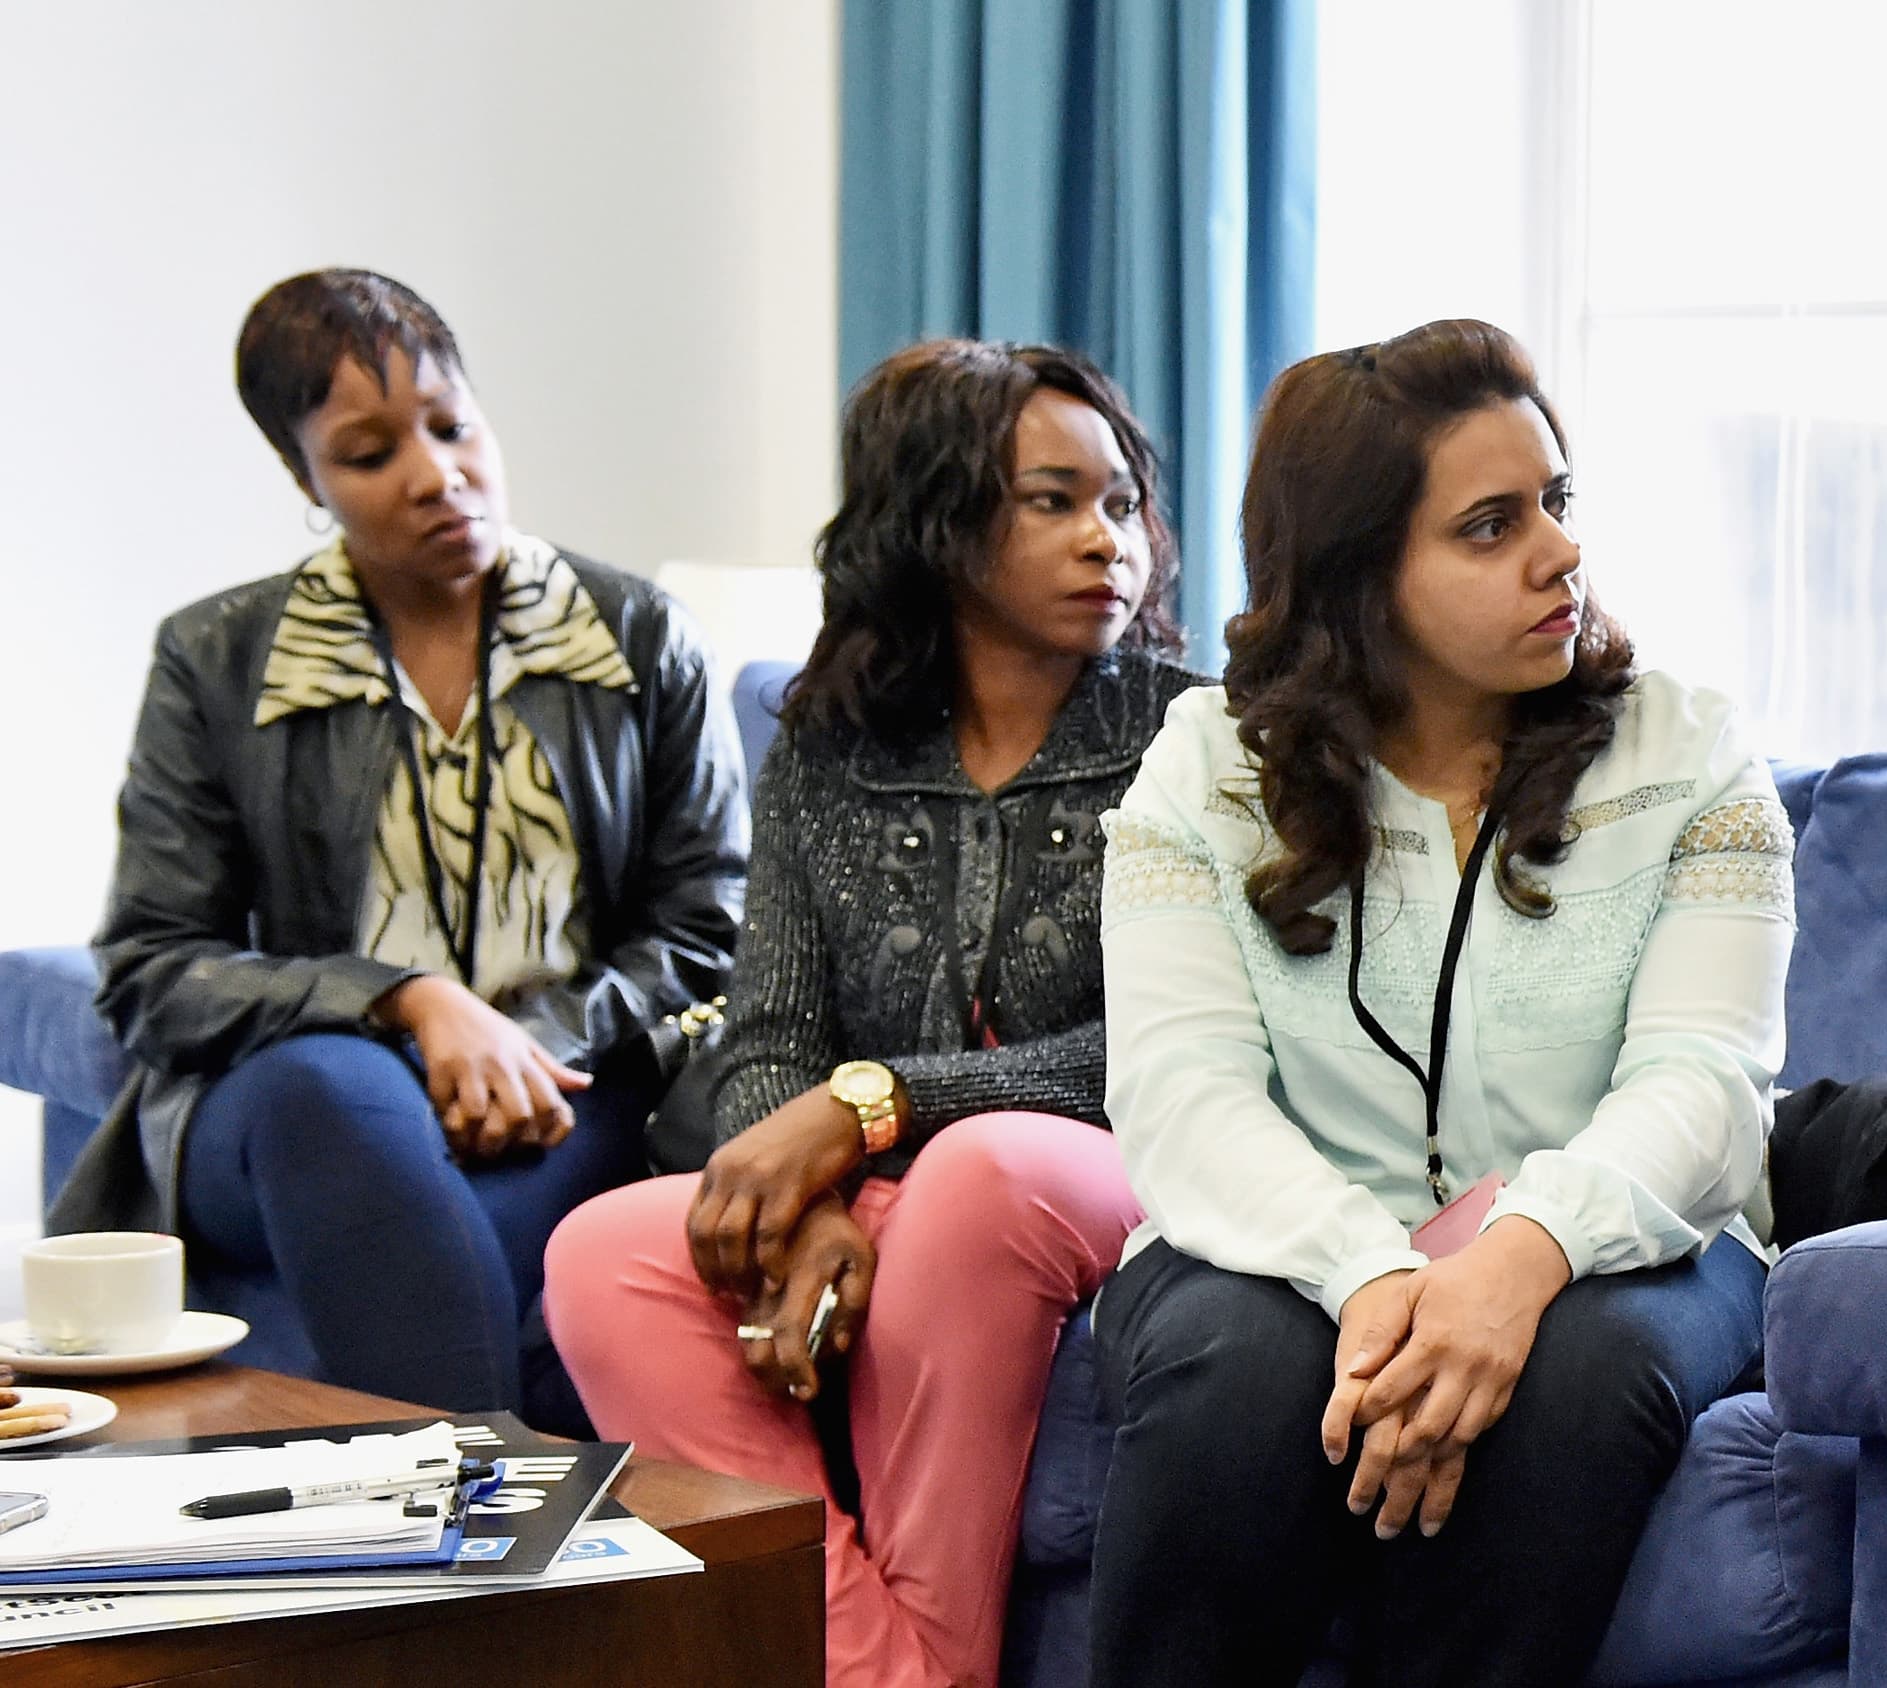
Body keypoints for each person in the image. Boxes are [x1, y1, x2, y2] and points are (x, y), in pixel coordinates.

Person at [1086, 318, 1795, 1687]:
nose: (1561, 553)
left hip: (1629, 1242)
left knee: (1574, 1381)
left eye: (1559, 503)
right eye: (1490, 526)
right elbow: (1183, 1097)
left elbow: (1704, 1090)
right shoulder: (1202, 773)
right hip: (1287, 1243)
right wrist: (1380, 1280)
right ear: (1360, 578)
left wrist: (1519, 1260)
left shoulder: (1691, 757)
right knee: (1238, 1380)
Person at [544, 339, 1201, 1688]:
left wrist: (872, 1110)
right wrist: (812, 1204)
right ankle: (874, 1669)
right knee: (604, 1254)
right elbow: (769, 1023)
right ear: (939, 526)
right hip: (888, 1183)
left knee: (980, 1171)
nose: (1107, 540)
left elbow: (1171, 1042)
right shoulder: (828, 741)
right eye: (1053, 502)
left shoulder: (1198, 736)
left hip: (1111, 1160)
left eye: (1122, 503)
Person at [51, 269, 745, 1415]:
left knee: (434, 1233)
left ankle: (443, 1567)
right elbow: (152, 964)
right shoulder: (216, 658)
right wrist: (404, 1002)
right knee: (335, 1100)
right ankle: (493, 1567)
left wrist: (526, 1045)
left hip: (573, 1079)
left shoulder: (638, 637)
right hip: (295, 1105)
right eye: (372, 454)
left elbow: (707, 923)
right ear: (304, 476)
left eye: (453, 426)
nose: (438, 476)